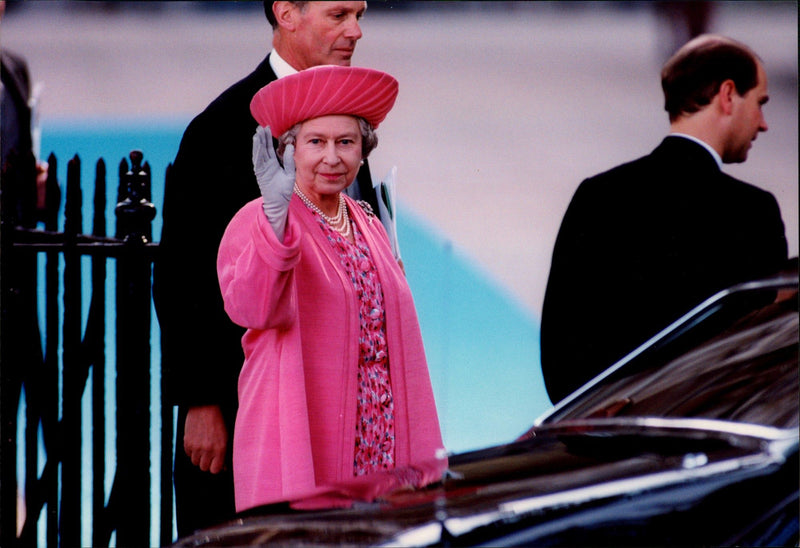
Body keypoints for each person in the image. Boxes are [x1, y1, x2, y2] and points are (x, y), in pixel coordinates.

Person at [152, 1, 375, 537]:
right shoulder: (220, 126)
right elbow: (183, 272)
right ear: (286, 13)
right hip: (241, 409)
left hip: (334, 408)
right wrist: (201, 401)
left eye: (360, 14)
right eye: (339, 14)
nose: (357, 31)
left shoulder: (349, 122)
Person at [217, 65, 445, 511]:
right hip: (305, 435)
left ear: (363, 150)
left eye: (346, 142)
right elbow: (253, 308)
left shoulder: (368, 221)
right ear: (291, 150)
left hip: (380, 438)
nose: (332, 157)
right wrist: (276, 217)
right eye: (316, 142)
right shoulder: (258, 219)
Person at [540, 34, 788, 405]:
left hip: (602, 435)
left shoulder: (597, 195)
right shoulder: (753, 212)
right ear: (727, 94)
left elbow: (559, 349)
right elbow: (766, 359)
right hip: (707, 442)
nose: (764, 123)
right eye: (760, 103)